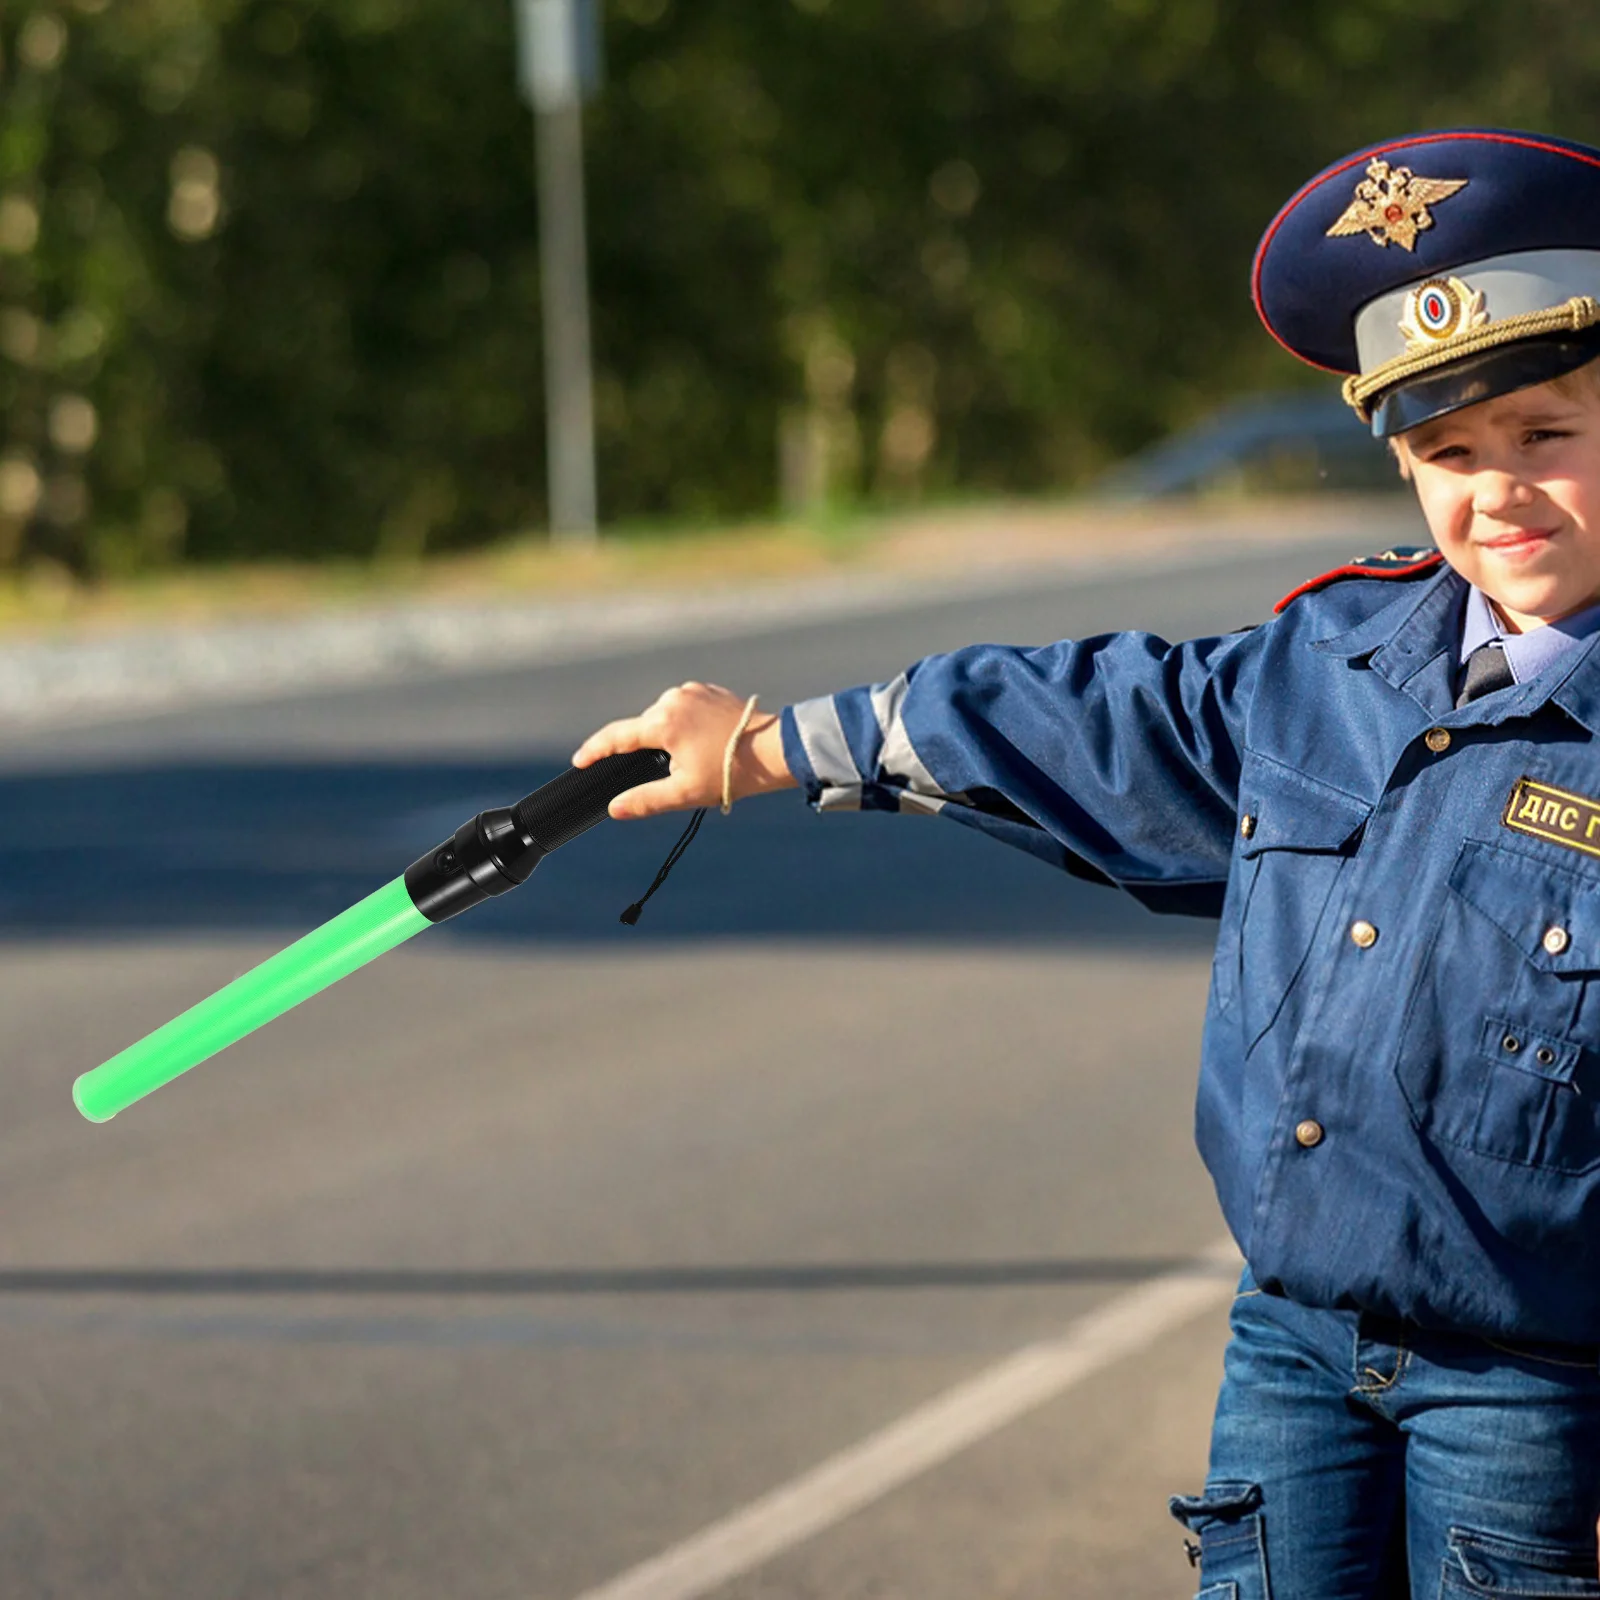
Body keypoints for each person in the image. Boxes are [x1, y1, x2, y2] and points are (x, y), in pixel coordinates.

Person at [572, 130, 1600, 1599]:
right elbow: (1085, 722)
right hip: (1295, 1353)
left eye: (1544, 435)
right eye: (1445, 451)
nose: (1494, 492)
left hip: (1543, 1390)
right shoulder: (1331, 661)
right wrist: (760, 744)